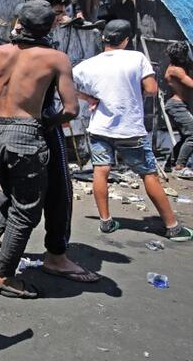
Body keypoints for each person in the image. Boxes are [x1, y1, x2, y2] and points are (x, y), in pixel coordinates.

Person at [0, 0, 99, 284]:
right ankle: (6, 276)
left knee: (13, 196)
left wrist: (2, 103)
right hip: (27, 135)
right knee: (27, 210)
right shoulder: (55, 58)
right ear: (50, 26)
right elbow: (71, 109)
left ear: (19, 23)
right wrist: (46, 121)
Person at [73, 20, 192, 241]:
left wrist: (89, 97)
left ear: (103, 38)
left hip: (99, 128)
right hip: (130, 130)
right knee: (148, 174)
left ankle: (106, 222)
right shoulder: (136, 58)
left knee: (101, 170)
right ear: (126, 40)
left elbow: (67, 86)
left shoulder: (85, 65)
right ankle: (172, 227)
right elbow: (151, 89)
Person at [164, 42, 193, 178]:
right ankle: (180, 167)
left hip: (179, 105)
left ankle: (170, 164)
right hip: (177, 106)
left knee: (185, 136)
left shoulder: (178, 66)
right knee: (192, 135)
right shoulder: (175, 70)